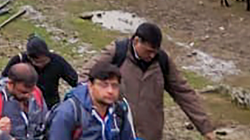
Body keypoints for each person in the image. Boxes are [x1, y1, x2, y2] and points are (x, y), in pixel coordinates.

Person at [86, 22, 214, 140]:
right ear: (136, 41)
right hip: (116, 131)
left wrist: (205, 128)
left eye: (155, 52)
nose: (152, 55)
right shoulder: (117, 53)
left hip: (150, 134)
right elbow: (85, 77)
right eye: (149, 51)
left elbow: (184, 93)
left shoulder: (162, 61)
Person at [46, 61, 137, 140]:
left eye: (114, 85)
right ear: (90, 85)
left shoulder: (119, 111)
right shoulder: (69, 112)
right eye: (104, 85)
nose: (110, 91)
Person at [1, 37, 78, 109]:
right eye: (38, 62)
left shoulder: (57, 61)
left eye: (45, 61)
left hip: (50, 104)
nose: (42, 65)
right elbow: (3, 80)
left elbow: (75, 80)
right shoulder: (19, 60)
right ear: (30, 58)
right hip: (21, 103)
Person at [0, 63, 46, 140]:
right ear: (10, 84)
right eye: (23, 92)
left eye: (31, 91)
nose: (28, 96)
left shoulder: (36, 94)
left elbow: (45, 124)